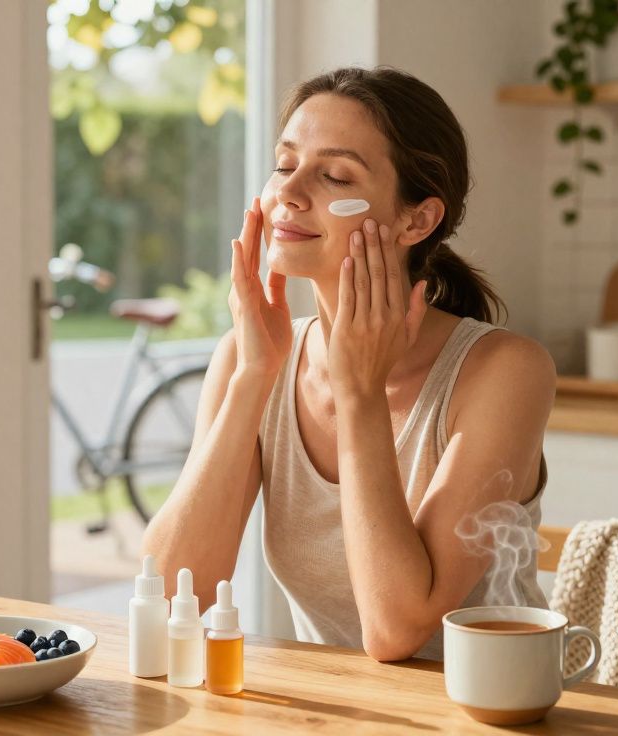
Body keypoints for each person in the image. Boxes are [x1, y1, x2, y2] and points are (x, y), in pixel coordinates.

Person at [142, 66, 555, 661]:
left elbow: (395, 632)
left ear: (417, 220)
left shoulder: (504, 372)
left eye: (334, 176)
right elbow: (167, 594)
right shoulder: (252, 358)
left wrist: (358, 392)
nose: (289, 190)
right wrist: (253, 378)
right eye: (285, 165)